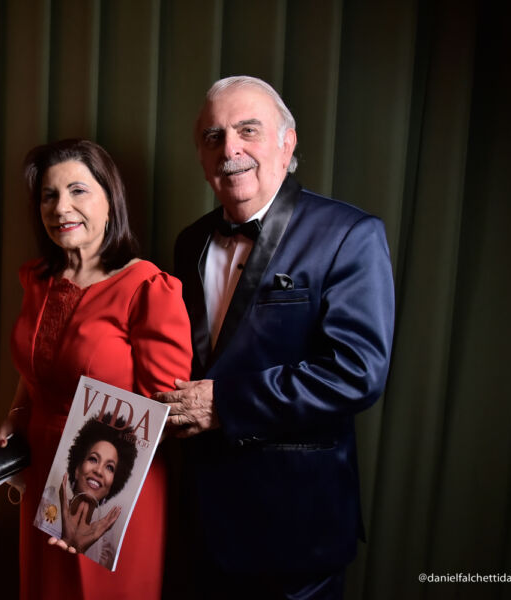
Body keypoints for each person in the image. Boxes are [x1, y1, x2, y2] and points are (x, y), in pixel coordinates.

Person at [155, 76, 395, 599]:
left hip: (297, 528)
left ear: (287, 144)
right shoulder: (190, 242)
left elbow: (356, 373)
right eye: (214, 136)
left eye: (248, 131)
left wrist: (225, 403)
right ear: (201, 155)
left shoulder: (350, 235)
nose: (230, 150)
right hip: (201, 523)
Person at [0, 139, 192, 600]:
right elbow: (37, 365)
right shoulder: (38, 279)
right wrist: (16, 412)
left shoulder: (147, 286)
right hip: (41, 471)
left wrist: (91, 499)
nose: (61, 207)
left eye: (78, 191)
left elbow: (163, 412)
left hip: (112, 485)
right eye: (49, 195)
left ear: (110, 200)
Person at [51, 413, 138, 568]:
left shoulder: (106, 551)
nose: (98, 471)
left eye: (109, 467)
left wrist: (79, 545)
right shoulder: (47, 505)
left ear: (112, 485)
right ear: (77, 469)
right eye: (93, 459)